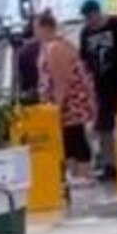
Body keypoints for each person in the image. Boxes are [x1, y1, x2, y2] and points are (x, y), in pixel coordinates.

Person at [35, 11, 97, 184]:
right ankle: (76, 174)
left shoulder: (56, 48)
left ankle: (83, 174)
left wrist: (57, 106)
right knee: (69, 139)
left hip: (70, 104)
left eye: (36, 28)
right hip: (68, 103)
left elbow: (61, 80)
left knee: (74, 137)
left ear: (45, 28)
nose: (35, 33)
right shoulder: (55, 46)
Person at [78, 0, 117, 181]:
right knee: (103, 128)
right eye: (87, 19)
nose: (90, 22)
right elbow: (84, 61)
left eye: (91, 17)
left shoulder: (115, 25)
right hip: (101, 87)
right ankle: (110, 164)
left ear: (97, 12)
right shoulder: (85, 33)